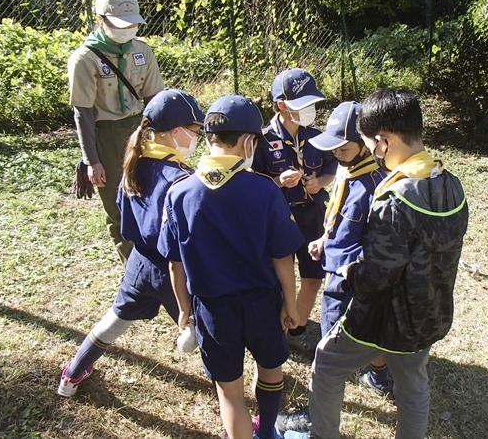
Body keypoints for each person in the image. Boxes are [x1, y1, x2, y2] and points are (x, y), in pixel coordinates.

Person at [281, 88, 469, 439]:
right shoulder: (449, 183)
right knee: (413, 386)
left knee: (328, 364)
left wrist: (350, 269)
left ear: (382, 142)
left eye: (368, 142)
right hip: (429, 313)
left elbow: (377, 276)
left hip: (384, 318)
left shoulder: (395, 198)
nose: (369, 150)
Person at [157, 94, 303, 439]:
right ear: (250, 141)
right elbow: (283, 256)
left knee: (230, 392)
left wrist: (184, 310)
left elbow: (175, 264)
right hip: (262, 303)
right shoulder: (265, 189)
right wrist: (291, 304)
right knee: (271, 370)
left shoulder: (179, 192)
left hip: (213, 310)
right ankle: (267, 433)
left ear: (208, 138)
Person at [57, 89, 205, 397]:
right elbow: (187, 237)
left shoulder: (134, 161)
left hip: (139, 264)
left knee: (114, 321)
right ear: (175, 131)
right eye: (195, 131)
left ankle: (70, 376)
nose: (197, 137)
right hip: (172, 271)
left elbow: (124, 217)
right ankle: (232, 402)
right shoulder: (181, 179)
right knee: (207, 336)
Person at [68, 0, 165, 264]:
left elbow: (154, 100)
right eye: (121, 24)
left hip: (140, 128)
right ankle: (135, 270)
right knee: (117, 205)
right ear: (102, 19)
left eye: (132, 23)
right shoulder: (85, 59)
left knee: (151, 195)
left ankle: (159, 262)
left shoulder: (142, 50)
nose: (127, 30)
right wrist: (92, 161)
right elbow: (83, 114)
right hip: (106, 135)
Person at [252, 68, 337, 359]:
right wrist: (277, 182)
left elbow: (330, 169)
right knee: (279, 277)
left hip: (313, 214)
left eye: (312, 104)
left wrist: (320, 183)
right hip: (280, 218)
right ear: (281, 106)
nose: (310, 110)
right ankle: (280, 329)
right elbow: (252, 181)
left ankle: (297, 327)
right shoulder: (262, 141)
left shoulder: (316, 136)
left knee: (313, 276)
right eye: (303, 105)